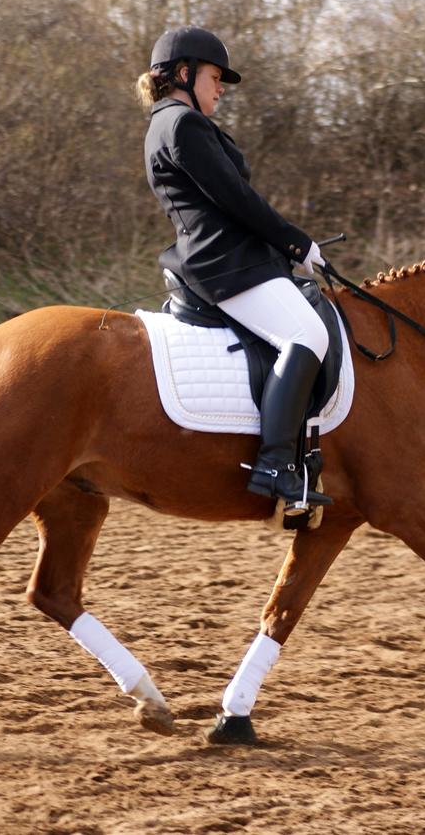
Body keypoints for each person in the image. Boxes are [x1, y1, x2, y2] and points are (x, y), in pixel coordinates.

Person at [137, 25, 330, 511]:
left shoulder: (170, 121)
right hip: (225, 263)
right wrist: (297, 241)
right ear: (183, 73)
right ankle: (276, 464)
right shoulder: (183, 124)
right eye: (215, 76)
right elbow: (237, 200)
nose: (221, 87)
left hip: (232, 258)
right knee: (308, 336)